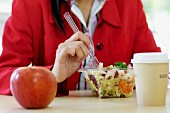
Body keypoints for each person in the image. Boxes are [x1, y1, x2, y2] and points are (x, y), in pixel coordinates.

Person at [0, 0, 160, 96]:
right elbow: (4, 74)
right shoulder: (29, 4)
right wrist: (51, 76)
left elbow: (154, 67)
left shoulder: (129, 5)